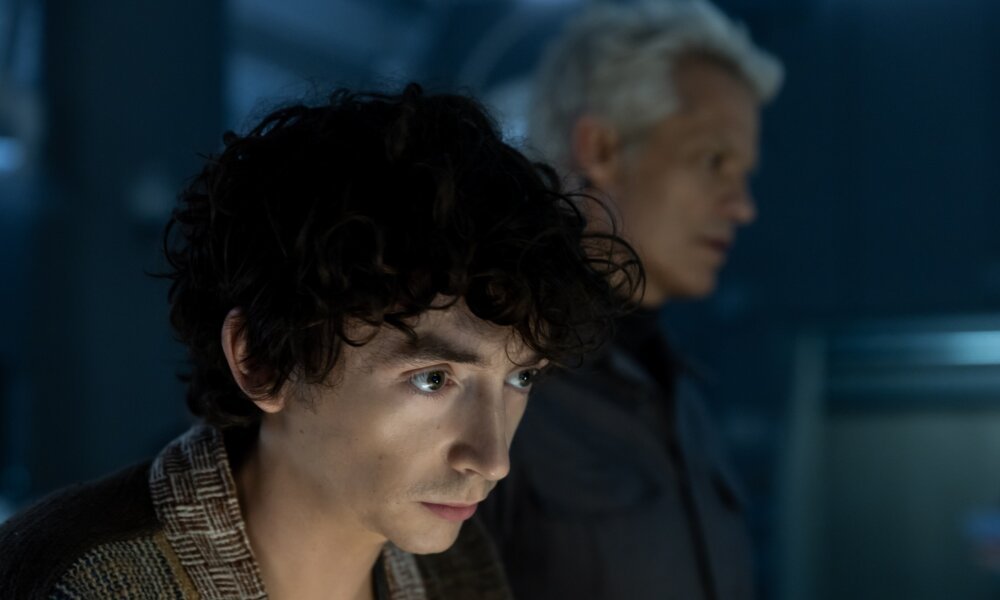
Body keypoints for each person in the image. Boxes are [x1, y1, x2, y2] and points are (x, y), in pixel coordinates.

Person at [0, 84, 641, 599]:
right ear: (262, 359)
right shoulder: (86, 583)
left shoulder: (453, 570)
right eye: (432, 378)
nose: (491, 458)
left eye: (520, 377)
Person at [480, 2, 784, 599]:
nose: (743, 207)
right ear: (601, 149)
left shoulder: (678, 393)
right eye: (713, 160)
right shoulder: (495, 384)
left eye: (744, 173)